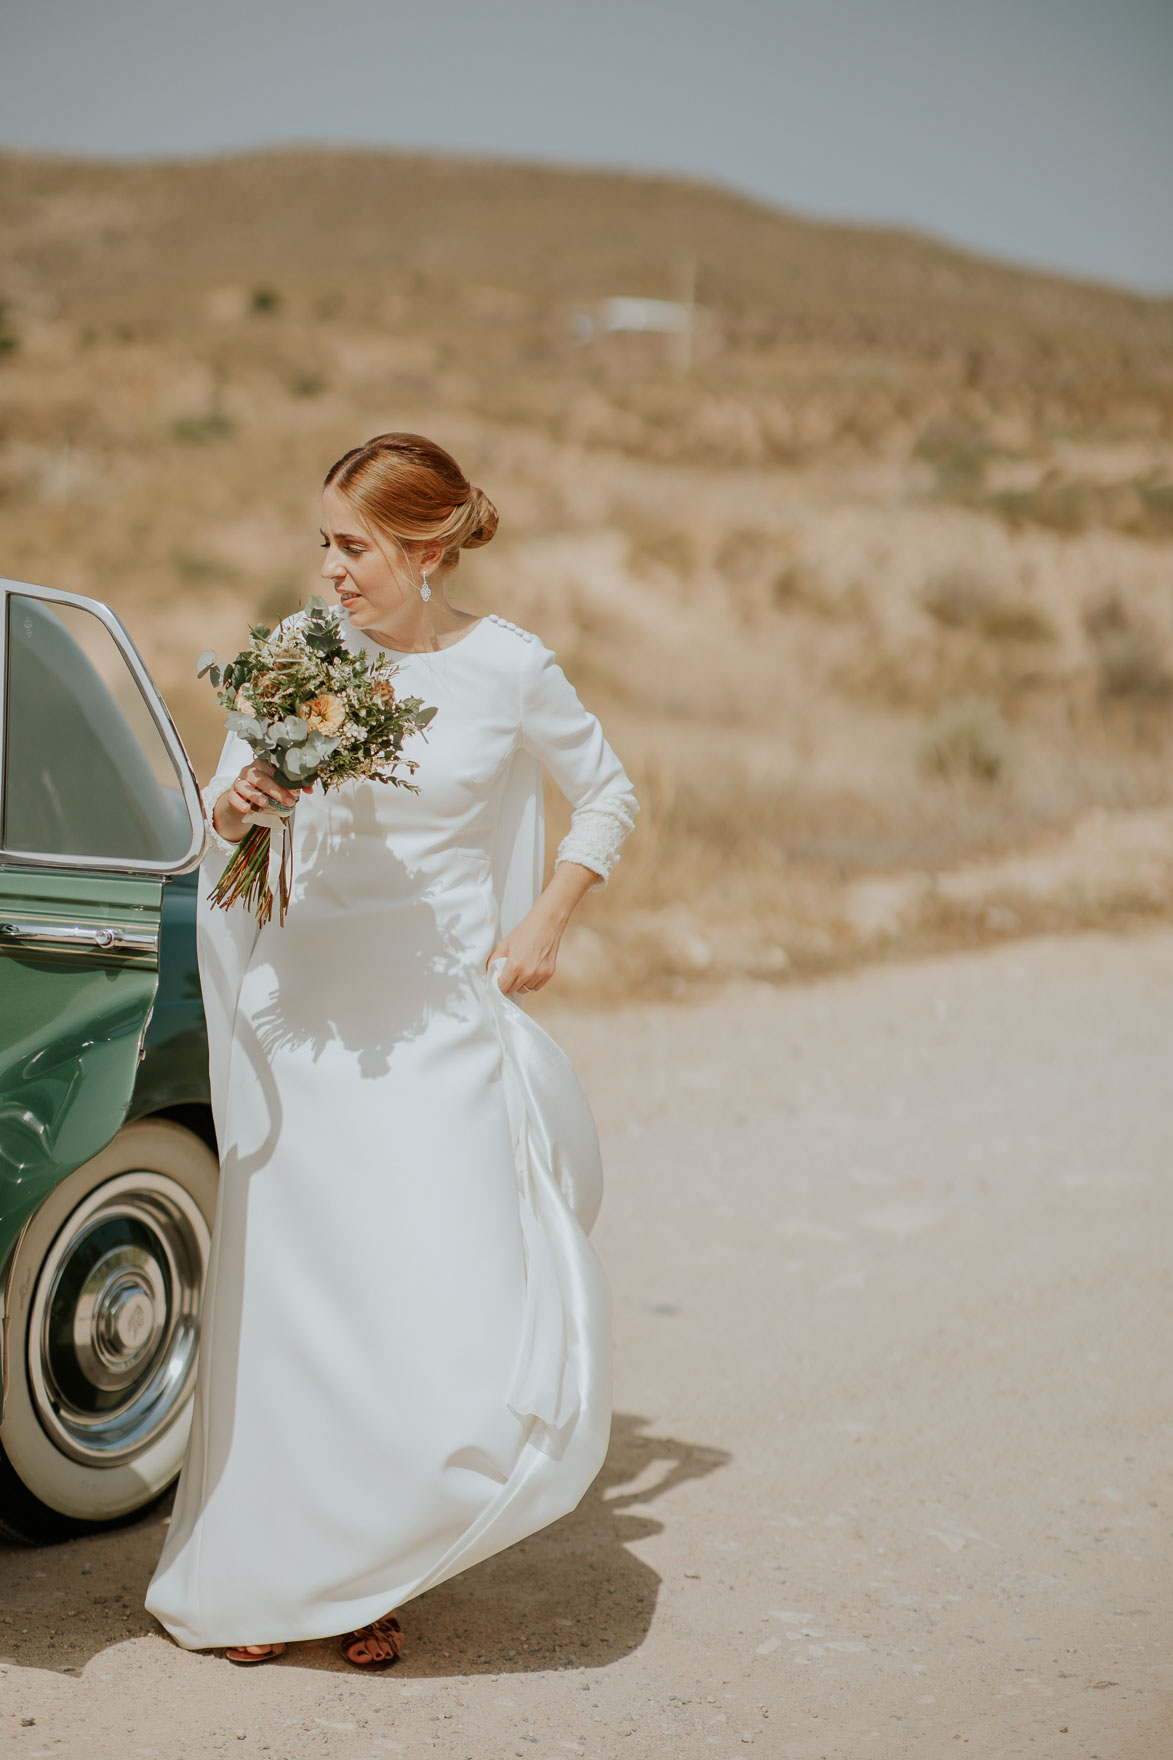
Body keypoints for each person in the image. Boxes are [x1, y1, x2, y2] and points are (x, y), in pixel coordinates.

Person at [144, 432, 640, 1667]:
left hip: (436, 1026)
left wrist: (547, 915)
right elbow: (213, 819)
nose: (330, 567)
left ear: (426, 550)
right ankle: (272, 1577)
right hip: (303, 1021)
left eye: (353, 545)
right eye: (324, 540)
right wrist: (243, 804)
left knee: (422, 1304)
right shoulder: (295, 655)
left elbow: (610, 793)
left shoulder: (510, 667)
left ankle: (374, 1562)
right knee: (300, 1314)